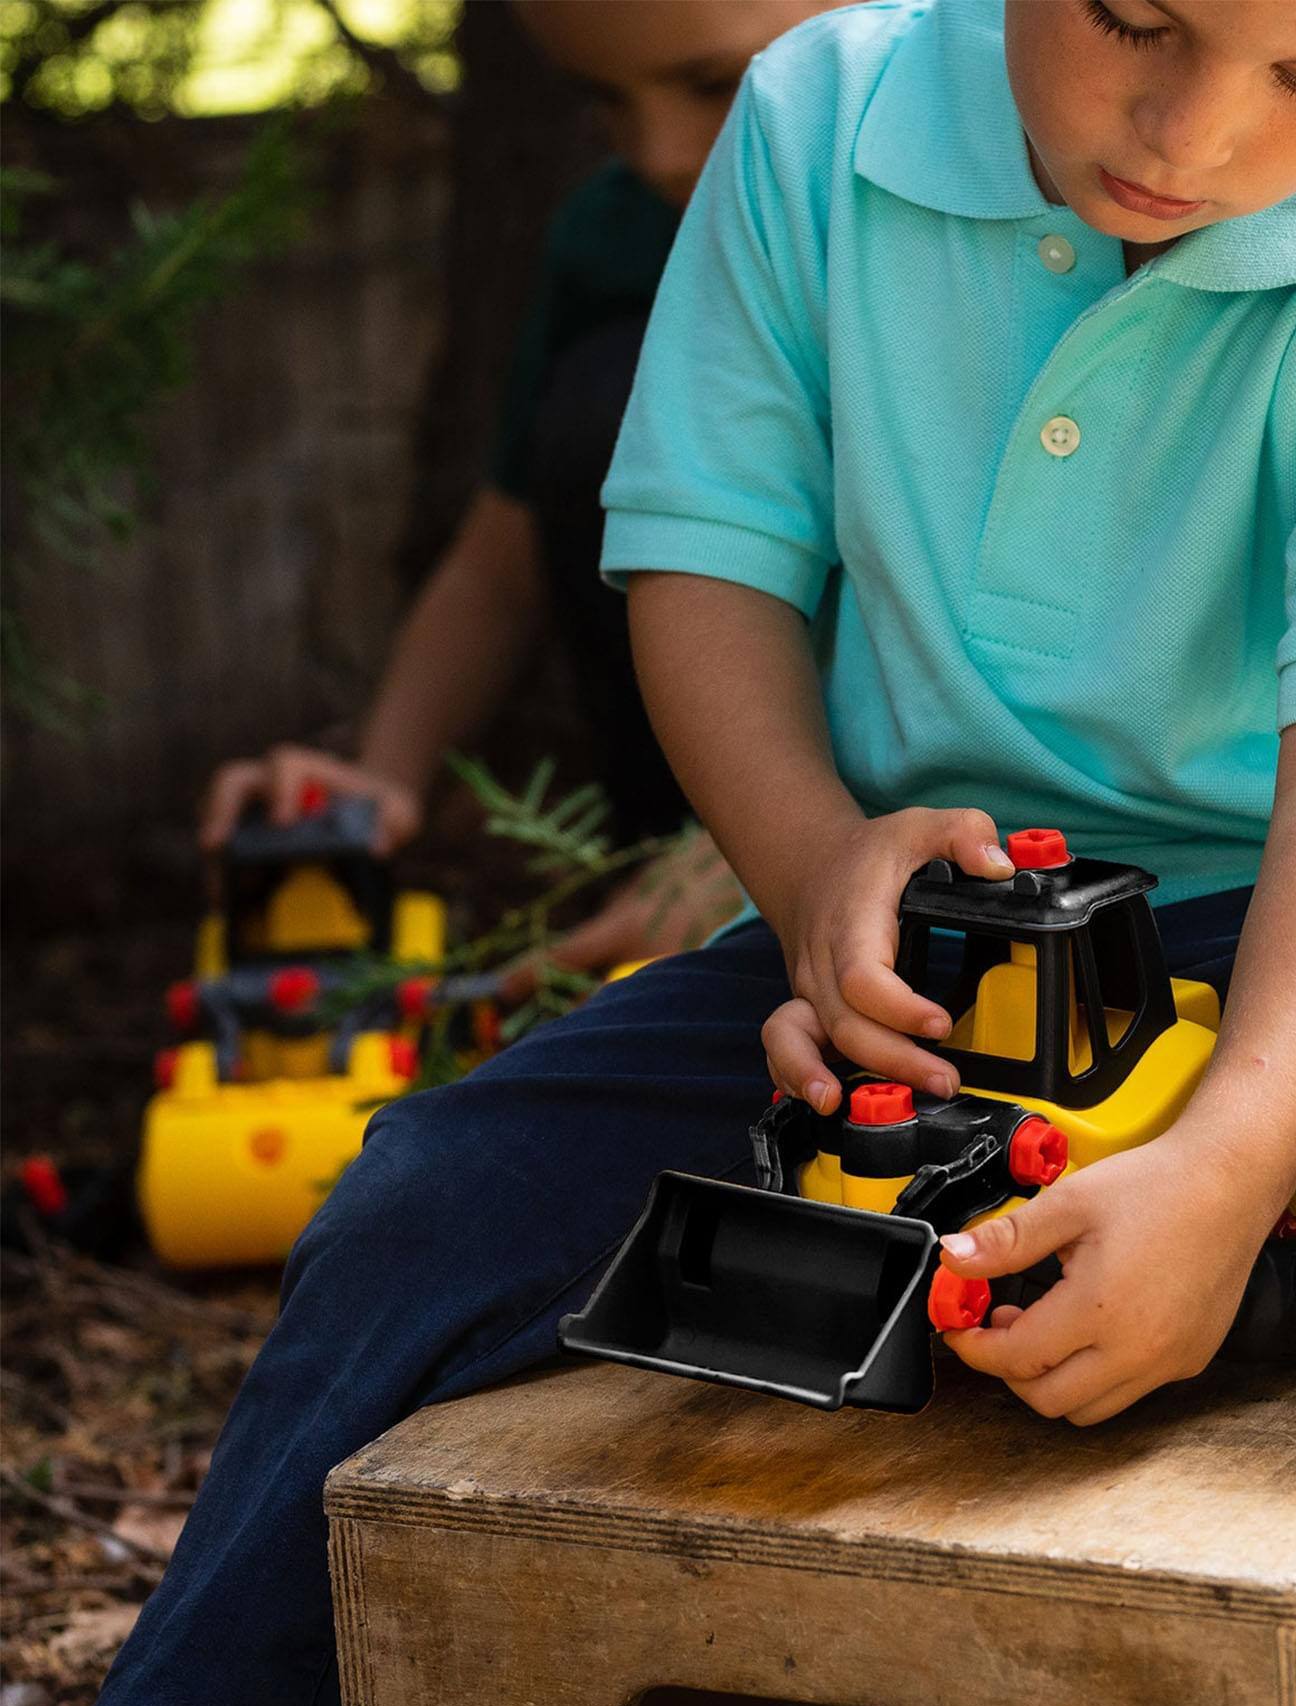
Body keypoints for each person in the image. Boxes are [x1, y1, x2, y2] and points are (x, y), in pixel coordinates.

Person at [5, 4, 1296, 1706]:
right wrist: (810, 863)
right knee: (439, 1179)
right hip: (922, 921)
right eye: (1135, 20)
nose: (1189, 132)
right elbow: (705, 565)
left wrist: (1228, 1162)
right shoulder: (814, 124)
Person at [194, 1, 827, 989]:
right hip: (700, 822)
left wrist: (789, 844)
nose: (658, 154)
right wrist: (379, 780)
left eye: (713, 86)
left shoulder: (965, 239)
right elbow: (503, 558)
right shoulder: (614, 236)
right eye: (605, 106)